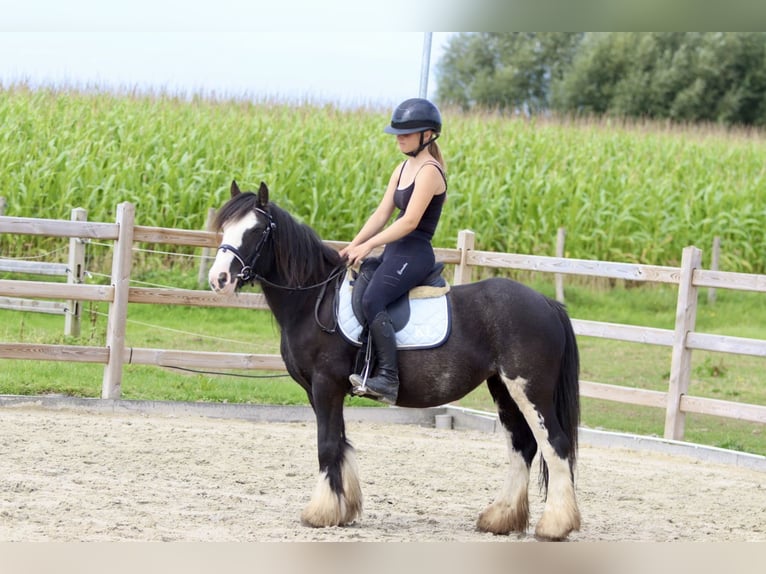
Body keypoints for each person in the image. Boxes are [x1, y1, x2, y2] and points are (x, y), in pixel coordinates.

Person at [339, 97, 447, 405]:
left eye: (407, 132)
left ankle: (388, 378)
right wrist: (353, 245)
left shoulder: (429, 171)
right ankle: (364, 364)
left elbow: (410, 221)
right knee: (361, 284)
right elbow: (381, 213)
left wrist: (370, 245)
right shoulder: (402, 168)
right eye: (397, 132)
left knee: (374, 299)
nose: (399, 137)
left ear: (428, 135)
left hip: (414, 252)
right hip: (395, 250)